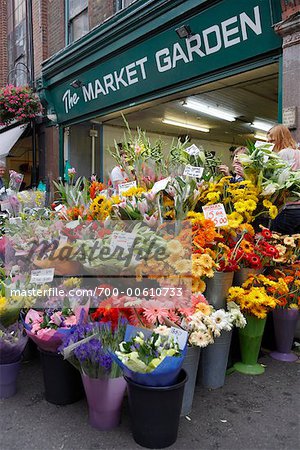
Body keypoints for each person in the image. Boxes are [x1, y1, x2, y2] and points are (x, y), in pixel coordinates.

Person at [267, 124, 300, 234]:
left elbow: (277, 181)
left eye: (272, 141)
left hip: (288, 208)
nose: (270, 145)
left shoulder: (283, 153)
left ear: (279, 139)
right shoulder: (298, 152)